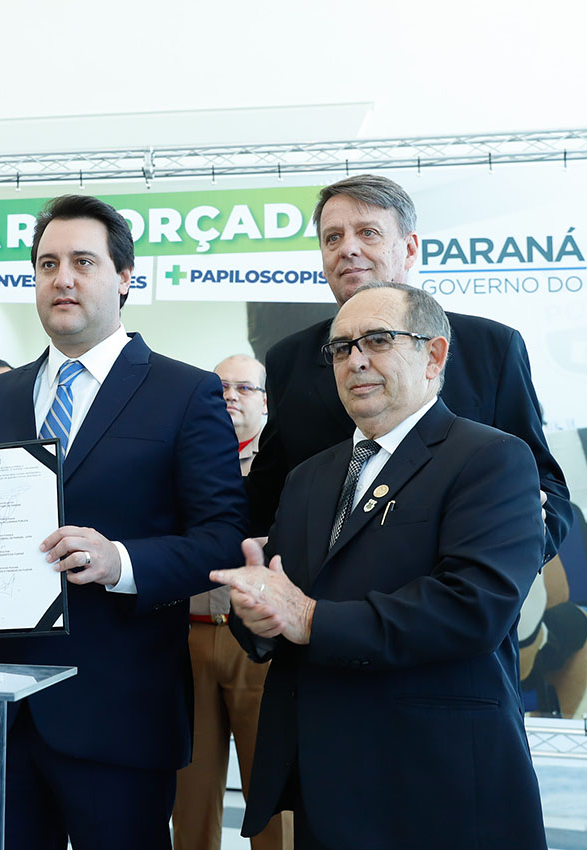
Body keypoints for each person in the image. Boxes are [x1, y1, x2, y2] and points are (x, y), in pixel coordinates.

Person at [213, 282, 547, 849]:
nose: (356, 360)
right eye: (341, 348)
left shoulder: (492, 458)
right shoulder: (308, 477)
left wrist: (311, 619)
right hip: (325, 784)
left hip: (438, 782)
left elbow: (474, 608)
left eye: (378, 340)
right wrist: (259, 618)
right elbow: (284, 604)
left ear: (434, 356)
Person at [0, 195, 247, 849]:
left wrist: (122, 561)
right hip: (6, 707)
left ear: (124, 277)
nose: (62, 278)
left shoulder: (184, 392)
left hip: (121, 712)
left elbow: (221, 538)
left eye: (83, 262)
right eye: (47, 264)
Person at [245, 174, 570, 565]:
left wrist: (512, 556)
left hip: (456, 588)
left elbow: (545, 488)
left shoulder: (491, 346)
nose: (348, 248)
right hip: (321, 594)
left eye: (368, 233)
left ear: (410, 248)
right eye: (332, 238)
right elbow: (268, 493)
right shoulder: (288, 359)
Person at [174, 355, 291, 850]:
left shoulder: (286, 466)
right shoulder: (184, 460)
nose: (230, 396)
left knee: (270, 787)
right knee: (190, 788)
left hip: (257, 645)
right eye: (220, 387)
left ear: (266, 403)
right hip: (189, 636)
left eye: (244, 387)